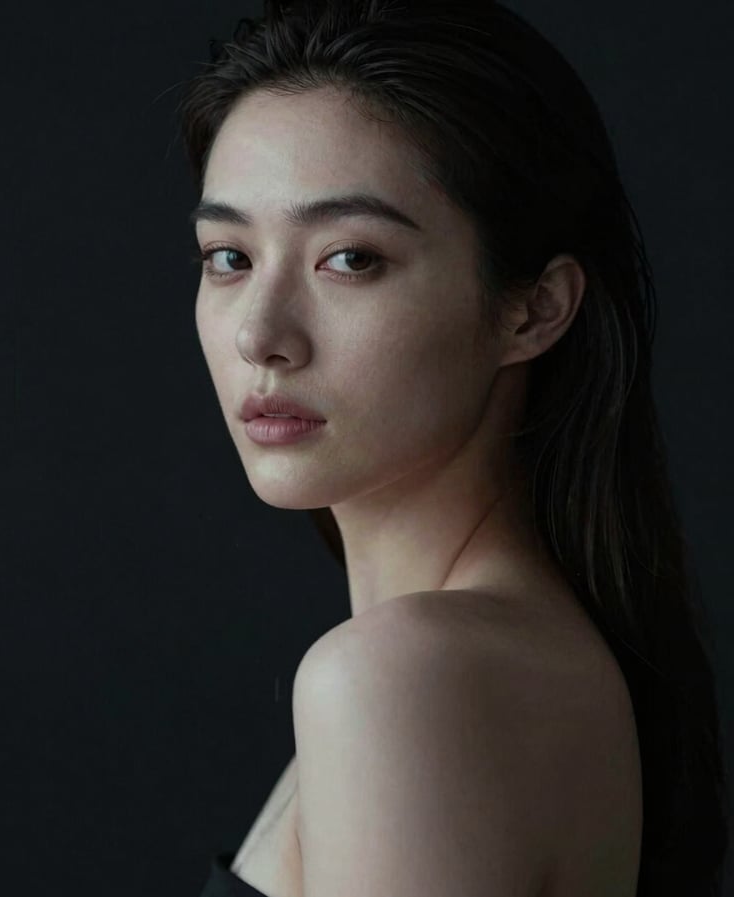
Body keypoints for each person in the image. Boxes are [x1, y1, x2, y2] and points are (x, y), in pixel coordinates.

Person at [179, 2, 730, 895]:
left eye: (351, 258)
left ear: (533, 308)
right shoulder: (485, 660)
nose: (261, 336)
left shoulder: (404, 679)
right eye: (229, 257)